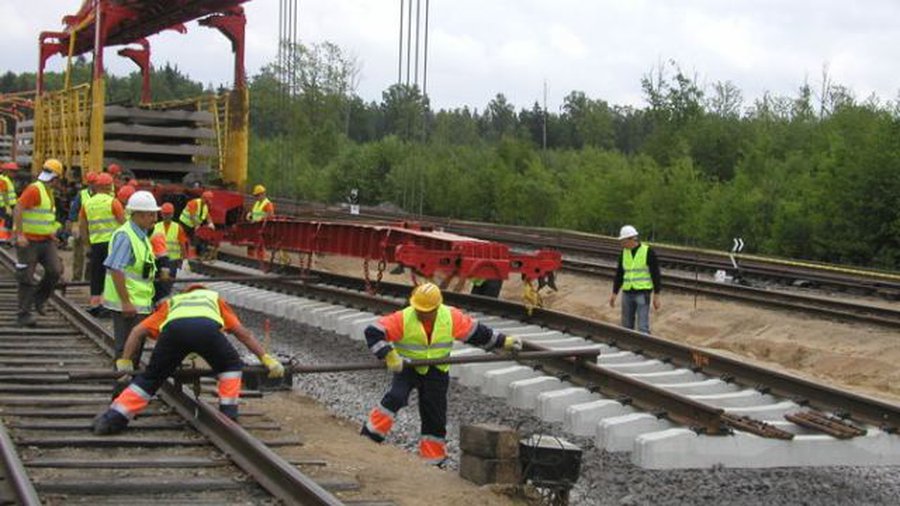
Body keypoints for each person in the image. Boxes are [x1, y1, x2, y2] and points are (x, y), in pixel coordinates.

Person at [360, 282, 522, 465]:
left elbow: (477, 333)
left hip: (436, 372)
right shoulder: (404, 318)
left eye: (425, 310)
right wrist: (389, 355)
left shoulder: (450, 316)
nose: (421, 313)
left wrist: (504, 341)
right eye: (418, 309)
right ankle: (369, 436)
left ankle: (433, 460)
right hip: (408, 368)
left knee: (435, 415)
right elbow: (373, 332)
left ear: (437, 308)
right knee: (396, 397)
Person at [91, 285, 285, 434]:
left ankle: (113, 418)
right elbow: (242, 333)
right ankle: (228, 415)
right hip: (206, 330)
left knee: (151, 377)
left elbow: (136, 331)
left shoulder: (173, 302)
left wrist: (125, 362)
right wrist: (266, 358)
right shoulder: (213, 299)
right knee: (230, 366)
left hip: (173, 332)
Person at [102, 191, 159, 364]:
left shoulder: (140, 235)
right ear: (139, 215)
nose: (155, 219)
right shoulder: (126, 236)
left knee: (134, 350)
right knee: (126, 350)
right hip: (128, 305)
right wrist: (126, 302)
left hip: (138, 304)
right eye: (151, 214)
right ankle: (121, 388)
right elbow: (115, 269)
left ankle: (128, 388)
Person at [13, 159, 65, 327]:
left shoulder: (47, 191)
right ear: (55, 178)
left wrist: (50, 233)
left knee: (55, 271)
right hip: (29, 242)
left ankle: (39, 298)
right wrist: (20, 234)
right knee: (26, 277)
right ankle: (23, 314)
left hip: (45, 241)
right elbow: (18, 208)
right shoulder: (34, 190)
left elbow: (41, 217)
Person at [80, 173, 126, 313]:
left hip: (96, 244)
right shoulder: (113, 202)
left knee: (97, 273)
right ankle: (107, 304)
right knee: (112, 274)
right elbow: (123, 222)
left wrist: (87, 244)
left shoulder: (87, 203)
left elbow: (83, 226)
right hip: (113, 244)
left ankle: (95, 303)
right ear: (109, 186)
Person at [608, 225, 662, 334]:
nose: (621, 244)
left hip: (642, 293)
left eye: (623, 241)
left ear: (631, 239)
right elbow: (619, 274)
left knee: (642, 327)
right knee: (626, 326)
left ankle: (645, 346)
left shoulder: (647, 252)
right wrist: (614, 293)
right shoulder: (624, 253)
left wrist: (656, 295)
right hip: (627, 293)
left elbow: (656, 274)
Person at [151, 203, 188, 302]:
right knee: (158, 283)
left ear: (172, 214)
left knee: (167, 284)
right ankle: (157, 301)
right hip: (158, 260)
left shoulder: (177, 228)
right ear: (161, 214)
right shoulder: (156, 226)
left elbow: (182, 244)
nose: (166, 216)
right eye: (165, 214)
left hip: (172, 261)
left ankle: (163, 302)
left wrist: (185, 259)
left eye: (168, 214)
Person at [68, 172, 97, 281]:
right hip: (82, 227)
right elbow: (74, 211)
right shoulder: (82, 194)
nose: (93, 185)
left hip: (95, 228)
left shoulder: (101, 195)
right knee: (78, 254)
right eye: (91, 183)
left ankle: (89, 278)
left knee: (92, 254)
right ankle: (76, 277)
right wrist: (73, 224)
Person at [179, 190, 214, 257]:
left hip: (192, 225)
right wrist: (196, 226)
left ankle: (193, 254)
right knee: (182, 239)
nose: (208, 203)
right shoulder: (194, 203)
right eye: (207, 201)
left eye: (208, 201)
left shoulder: (205, 206)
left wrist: (211, 223)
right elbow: (192, 216)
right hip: (184, 224)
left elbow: (207, 216)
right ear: (203, 198)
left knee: (195, 240)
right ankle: (183, 254)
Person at [246, 185, 274, 260]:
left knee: (259, 246)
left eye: (257, 195)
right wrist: (250, 215)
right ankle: (250, 259)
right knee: (250, 244)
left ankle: (261, 261)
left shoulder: (267, 204)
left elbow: (270, 215)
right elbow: (254, 212)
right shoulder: (257, 203)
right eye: (256, 196)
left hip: (261, 228)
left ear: (263, 194)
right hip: (254, 227)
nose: (256, 197)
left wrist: (260, 220)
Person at [0, 162, 19, 243]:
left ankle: (6, 238)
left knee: (8, 222)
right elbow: (4, 193)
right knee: (4, 223)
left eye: (15, 171)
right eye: (12, 171)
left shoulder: (8, 180)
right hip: (4, 205)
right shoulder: (3, 179)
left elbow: (10, 193)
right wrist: (7, 206)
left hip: (8, 205)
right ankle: (3, 239)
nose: (14, 173)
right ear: (7, 171)